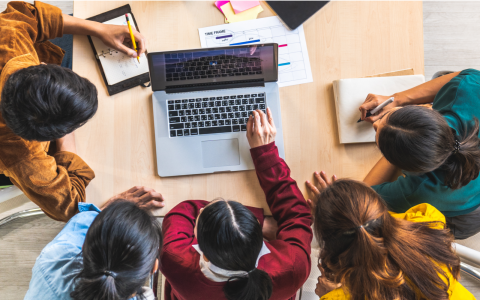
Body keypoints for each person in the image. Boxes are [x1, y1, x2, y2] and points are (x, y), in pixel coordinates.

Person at [0, 1, 146, 221]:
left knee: (77, 36)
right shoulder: (25, 159)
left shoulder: (9, 36)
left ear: (42, 65)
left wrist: (100, 28)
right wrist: (66, 137)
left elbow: (34, 17)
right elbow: (71, 205)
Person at [161, 109, 313, 300]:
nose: (199, 210)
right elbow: (298, 215)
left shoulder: (175, 261)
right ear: (259, 239)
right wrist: (266, 154)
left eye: (201, 216)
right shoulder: (292, 268)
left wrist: (260, 220)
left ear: (204, 254)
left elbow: (183, 211)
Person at [305, 173, 474, 300]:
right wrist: (349, 210)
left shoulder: (338, 296)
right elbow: (373, 225)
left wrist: (328, 294)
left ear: (330, 244)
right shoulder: (428, 221)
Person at [359, 69, 480, 239]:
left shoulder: (418, 190)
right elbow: (464, 75)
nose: (376, 123)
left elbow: (364, 197)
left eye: (377, 129)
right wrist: (396, 100)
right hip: (467, 192)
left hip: (469, 211)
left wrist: (400, 149)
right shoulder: (467, 89)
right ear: (427, 111)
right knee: (441, 76)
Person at [24, 186, 164, 300]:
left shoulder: (55, 259)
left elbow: (84, 220)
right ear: (154, 267)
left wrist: (114, 209)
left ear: (84, 246)